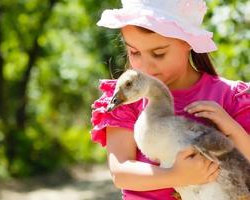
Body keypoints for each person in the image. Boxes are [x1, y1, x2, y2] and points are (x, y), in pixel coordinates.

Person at [90, 0, 250, 199]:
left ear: (188, 42)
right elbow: (121, 172)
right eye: (134, 52)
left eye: (159, 53)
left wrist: (231, 127)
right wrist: (175, 175)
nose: (146, 66)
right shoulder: (126, 100)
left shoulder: (230, 97)